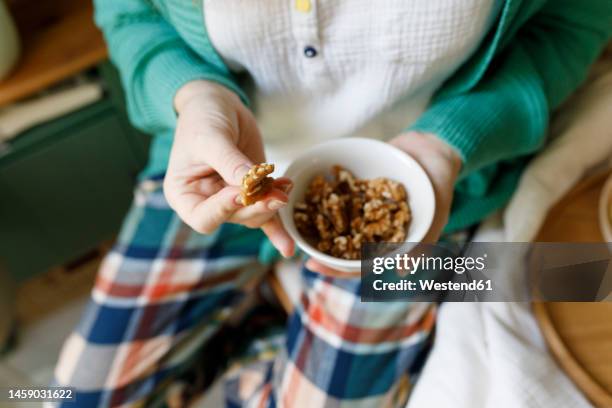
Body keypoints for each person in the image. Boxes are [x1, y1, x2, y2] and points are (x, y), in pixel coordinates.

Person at [51, 0, 612, 406]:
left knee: (578, 273)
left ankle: (259, 345)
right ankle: (266, 327)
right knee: (66, 395)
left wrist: (450, 143)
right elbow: (128, 14)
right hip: (220, 173)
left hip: (429, 191)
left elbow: (573, 21)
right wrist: (195, 94)